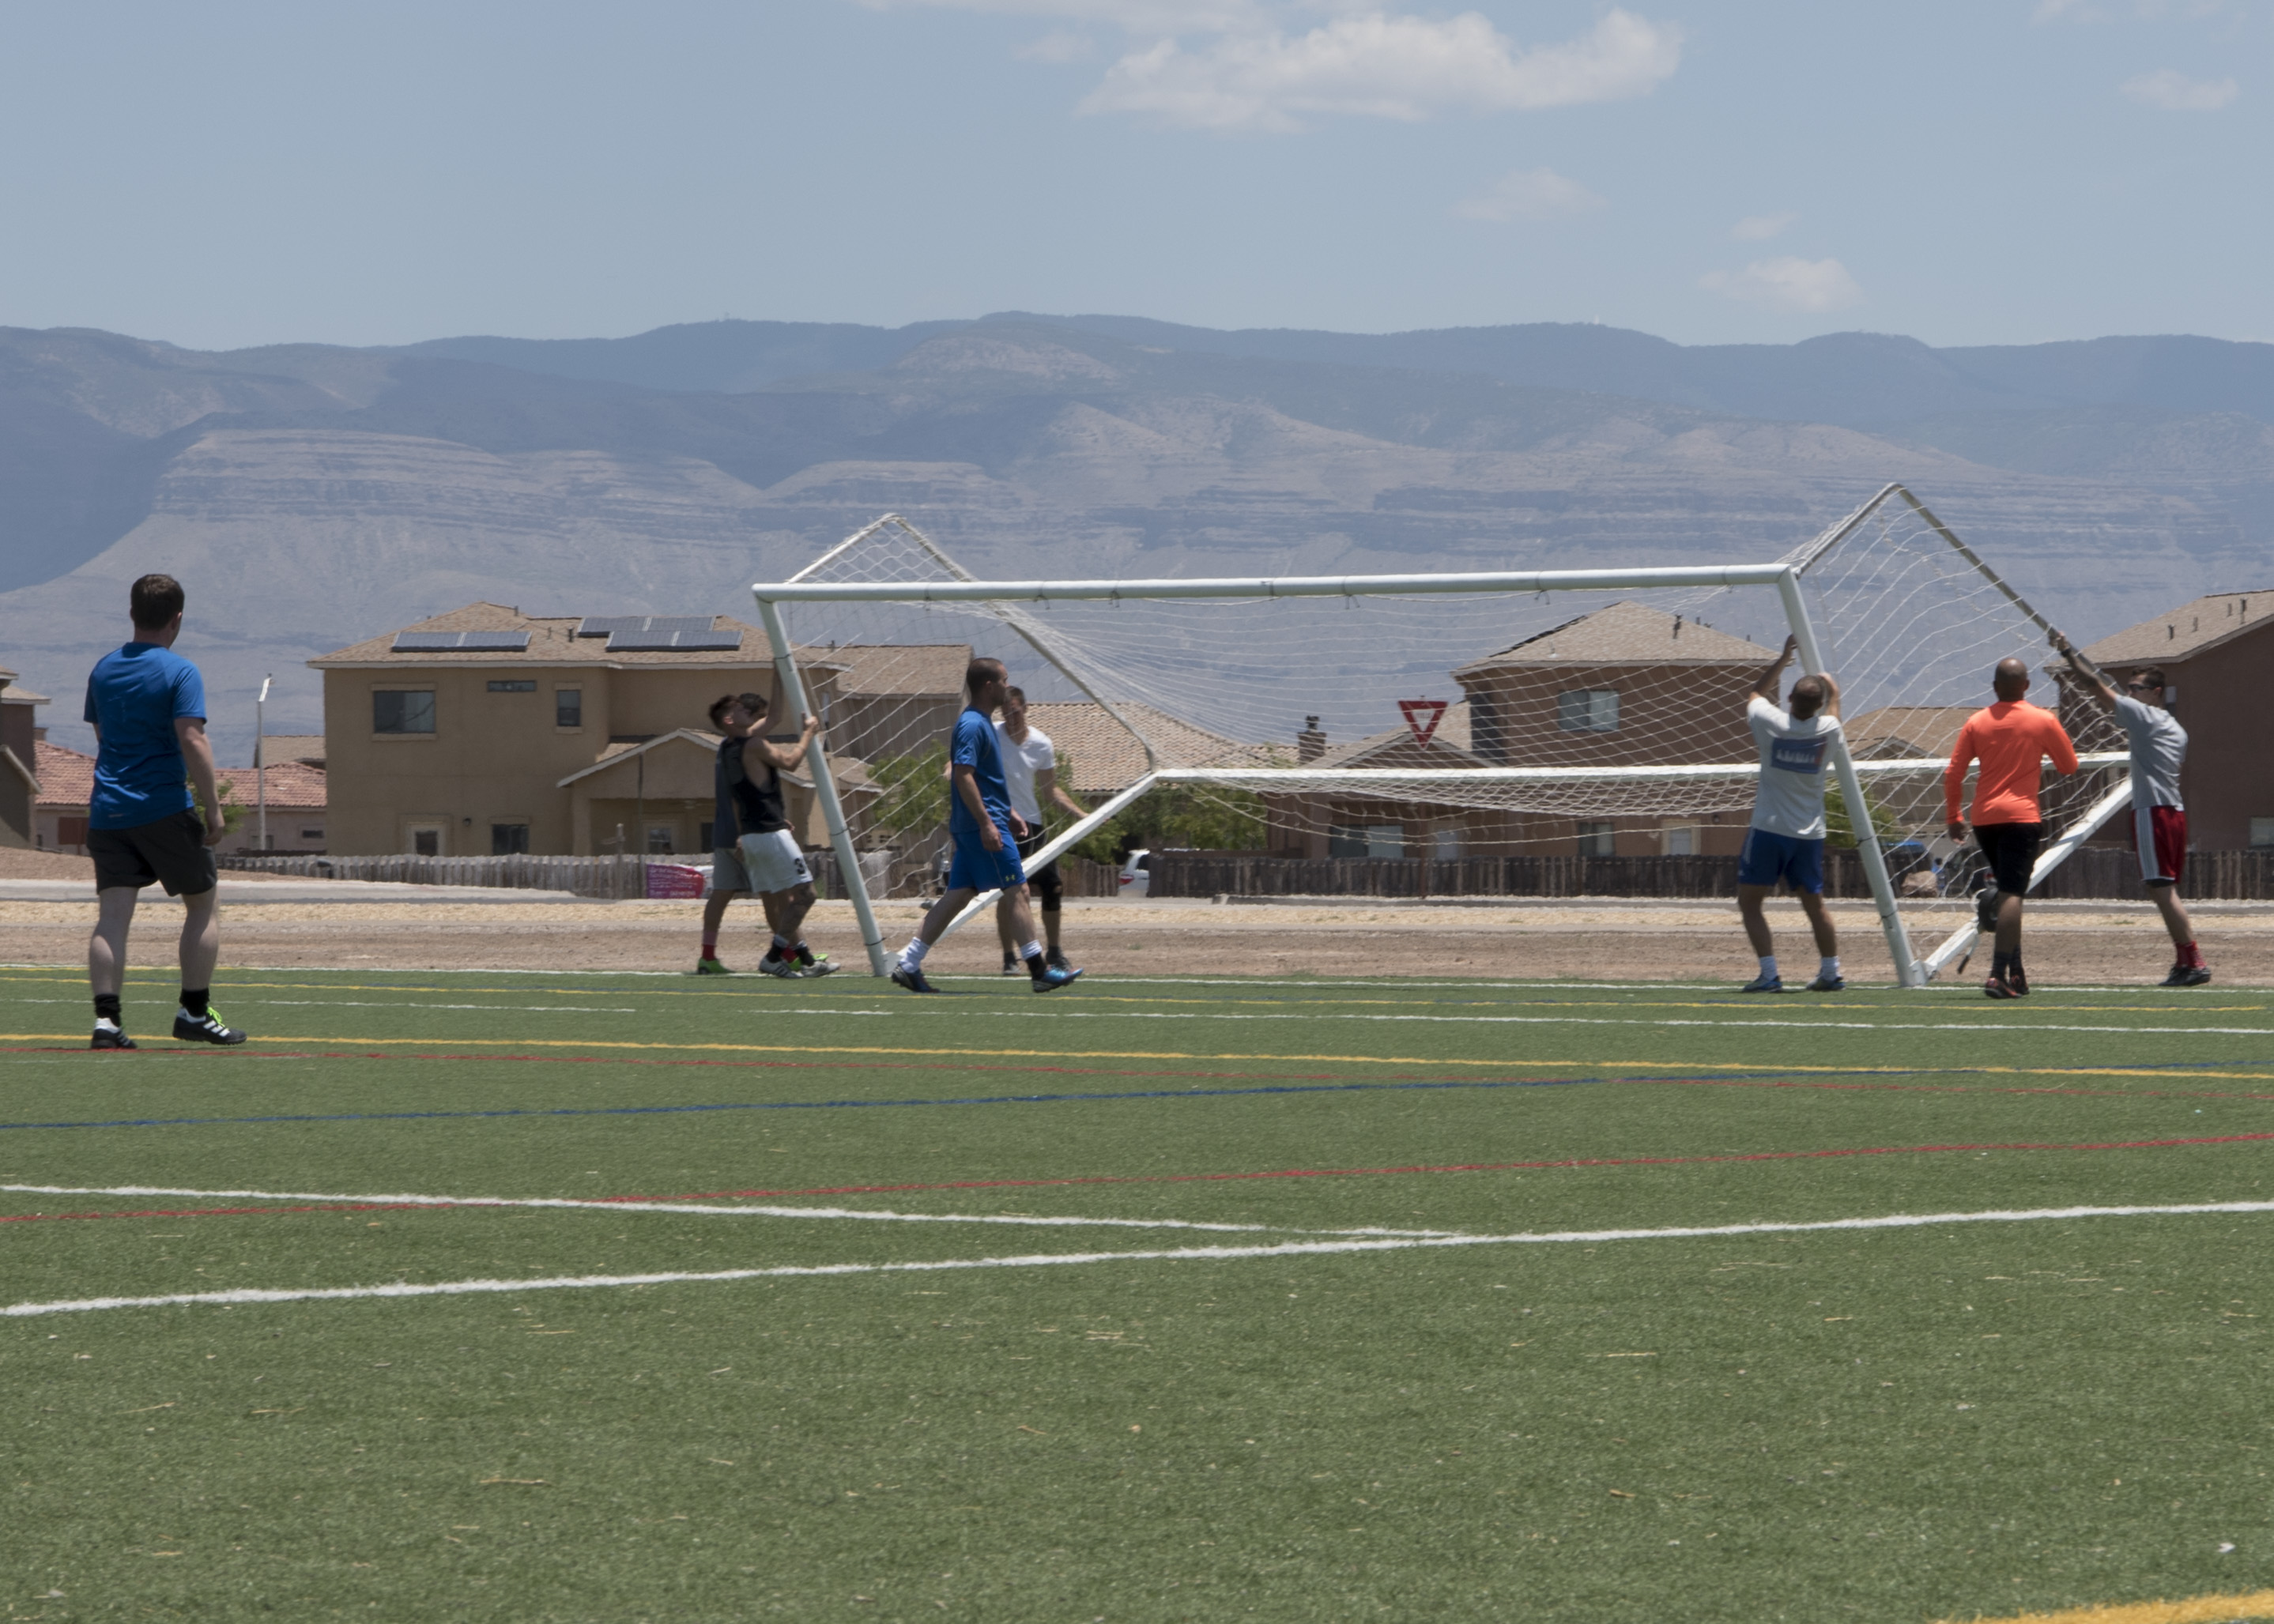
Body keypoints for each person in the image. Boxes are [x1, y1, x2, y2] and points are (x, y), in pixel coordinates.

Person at [82, 573, 245, 1048]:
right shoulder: (180, 671)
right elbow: (192, 739)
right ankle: (194, 1011)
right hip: (163, 807)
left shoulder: (103, 670)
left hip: (108, 811)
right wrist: (213, 807)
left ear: (132, 613)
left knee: (113, 914)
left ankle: (106, 1023)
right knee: (203, 904)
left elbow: (103, 736)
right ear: (177, 619)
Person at [892, 658, 1083, 994]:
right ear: (990, 686)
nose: (1010, 688)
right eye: (1005, 681)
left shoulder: (982, 723)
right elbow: (963, 774)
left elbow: (983, 778)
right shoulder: (972, 725)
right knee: (1019, 890)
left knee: (957, 896)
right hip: (983, 827)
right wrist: (988, 823)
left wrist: (1008, 811)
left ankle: (909, 963)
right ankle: (1039, 969)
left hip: (986, 821)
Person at [2054, 638, 2209, 986]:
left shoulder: (2145, 717)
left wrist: (2067, 653)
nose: (2130, 693)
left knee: (2162, 889)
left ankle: (2193, 960)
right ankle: (2185, 961)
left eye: (2136, 688)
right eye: (2129, 688)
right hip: (2173, 812)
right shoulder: (2177, 728)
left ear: (2155, 692)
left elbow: (2095, 685)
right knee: (2162, 890)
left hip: (2152, 812)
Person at [1944, 655, 2079, 999]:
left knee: (2007, 891)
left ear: (1994, 687)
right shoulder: (2042, 720)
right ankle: (1997, 974)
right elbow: (2069, 766)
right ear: (2027, 686)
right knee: (2012, 895)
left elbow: (1954, 773)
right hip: (2021, 817)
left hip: (1985, 819)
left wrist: (1953, 816)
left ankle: (2016, 973)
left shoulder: (1977, 722)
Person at [1736, 635, 1846, 993]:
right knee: (1815, 906)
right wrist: (1835, 693)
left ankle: (1769, 975)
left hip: (1769, 830)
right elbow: (1833, 714)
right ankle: (1830, 972)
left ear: (1789, 700)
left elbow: (1754, 695)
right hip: (1809, 834)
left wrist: (1783, 659)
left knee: (1750, 902)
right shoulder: (1829, 730)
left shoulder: (1771, 724)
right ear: (1818, 706)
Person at [700, 691, 833, 978]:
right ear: (731, 718)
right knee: (797, 895)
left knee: (770, 896)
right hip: (764, 834)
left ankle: (801, 957)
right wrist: (809, 734)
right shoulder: (751, 744)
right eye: (751, 714)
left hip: (747, 834)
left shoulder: (730, 747)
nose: (761, 720)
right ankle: (781, 956)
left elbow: (739, 798)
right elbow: (789, 762)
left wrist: (778, 666)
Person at [994, 684, 1087, 974]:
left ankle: (1056, 952)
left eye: (1016, 711)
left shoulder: (1041, 744)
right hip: (1001, 824)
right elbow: (961, 755)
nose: (1011, 717)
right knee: (1009, 891)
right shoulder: (990, 734)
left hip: (1032, 826)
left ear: (1026, 708)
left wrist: (1081, 814)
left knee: (1053, 886)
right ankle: (1010, 958)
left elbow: (1050, 791)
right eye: (1006, 712)